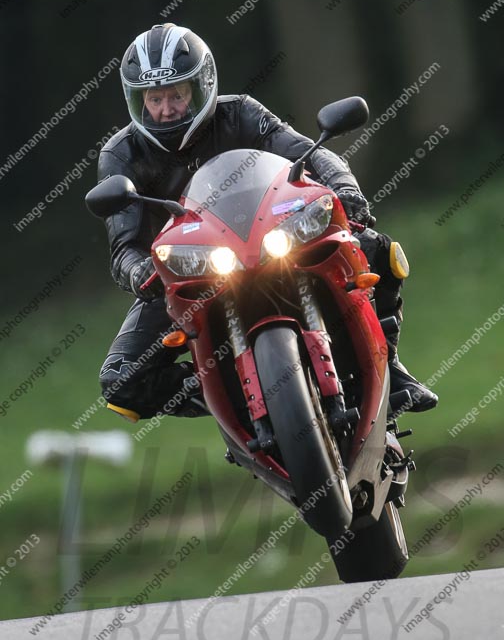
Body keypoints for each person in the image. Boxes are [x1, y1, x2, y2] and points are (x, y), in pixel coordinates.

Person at [92, 23, 437, 423]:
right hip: (187, 275)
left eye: (177, 94)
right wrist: (140, 272)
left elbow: (307, 153)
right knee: (122, 384)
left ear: (202, 87)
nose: (166, 109)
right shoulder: (120, 154)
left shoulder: (241, 112)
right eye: (155, 98)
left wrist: (345, 191)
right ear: (137, 100)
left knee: (377, 248)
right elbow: (124, 248)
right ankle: (229, 396)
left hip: (273, 240)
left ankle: (390, 368)